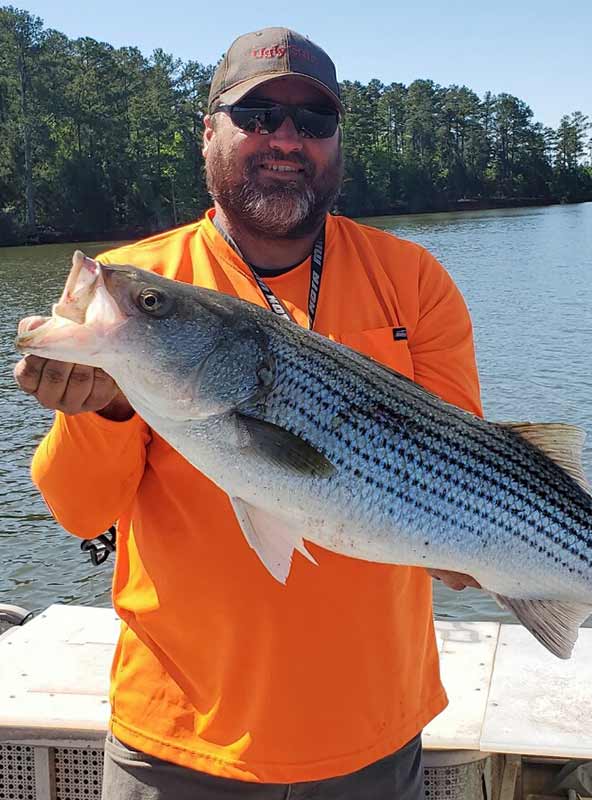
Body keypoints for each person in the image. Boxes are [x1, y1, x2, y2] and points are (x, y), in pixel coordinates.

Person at [14, 27, 483, 800]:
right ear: (208, 133)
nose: (286, 139)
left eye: (312, 121)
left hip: (372, 731)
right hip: (178, 741)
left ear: (337, 144)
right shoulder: (147, 286)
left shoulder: (414, 280)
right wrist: (100, 414)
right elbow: (79, 509)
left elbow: (460, 475)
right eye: (257, 114)